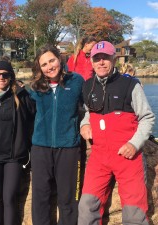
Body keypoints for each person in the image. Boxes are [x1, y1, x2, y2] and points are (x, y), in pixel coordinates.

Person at [79, 41, 155, 225]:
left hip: (128, 157)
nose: (101, 62)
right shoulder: (88, 86)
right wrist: (84, 125)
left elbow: (147, 117)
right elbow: (87, 113)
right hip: (99, 157)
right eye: (97, 58)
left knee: (133, 213)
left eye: (106, 57)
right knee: (87, 206)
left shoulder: (130, 85)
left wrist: (134, 144)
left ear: (114, 59)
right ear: (91, 61)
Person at [29, 44, 84, 225]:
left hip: (68, 147)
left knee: (67, 197)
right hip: (41, 148)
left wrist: (86, 124)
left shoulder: (76, 81)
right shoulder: (35, 88)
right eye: (44, 64)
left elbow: (90, 108)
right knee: (40, 197)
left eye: (51, 60)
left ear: (59, 59)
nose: (49, 67)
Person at [0, 58, 35, 225]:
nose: (1, 78)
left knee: (9, 197)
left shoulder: (19, 95)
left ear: (11, 76)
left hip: (13, 155)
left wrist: (24, 90)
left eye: (5, 74)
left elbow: (34, 112)